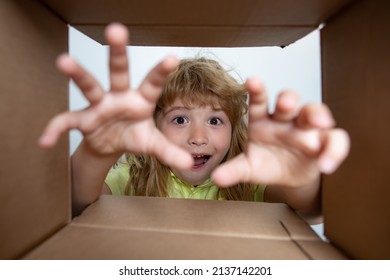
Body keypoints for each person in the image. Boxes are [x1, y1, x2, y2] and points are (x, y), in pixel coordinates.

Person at [38, 23, 350, 224]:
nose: (198, 137)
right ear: (154, 127)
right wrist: (96, 153)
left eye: (215, 119)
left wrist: (300, 177)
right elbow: (77, 204)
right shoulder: (132, 178)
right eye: (180, 119)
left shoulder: (250, 184)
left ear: (234, 129)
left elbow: (311, 211)